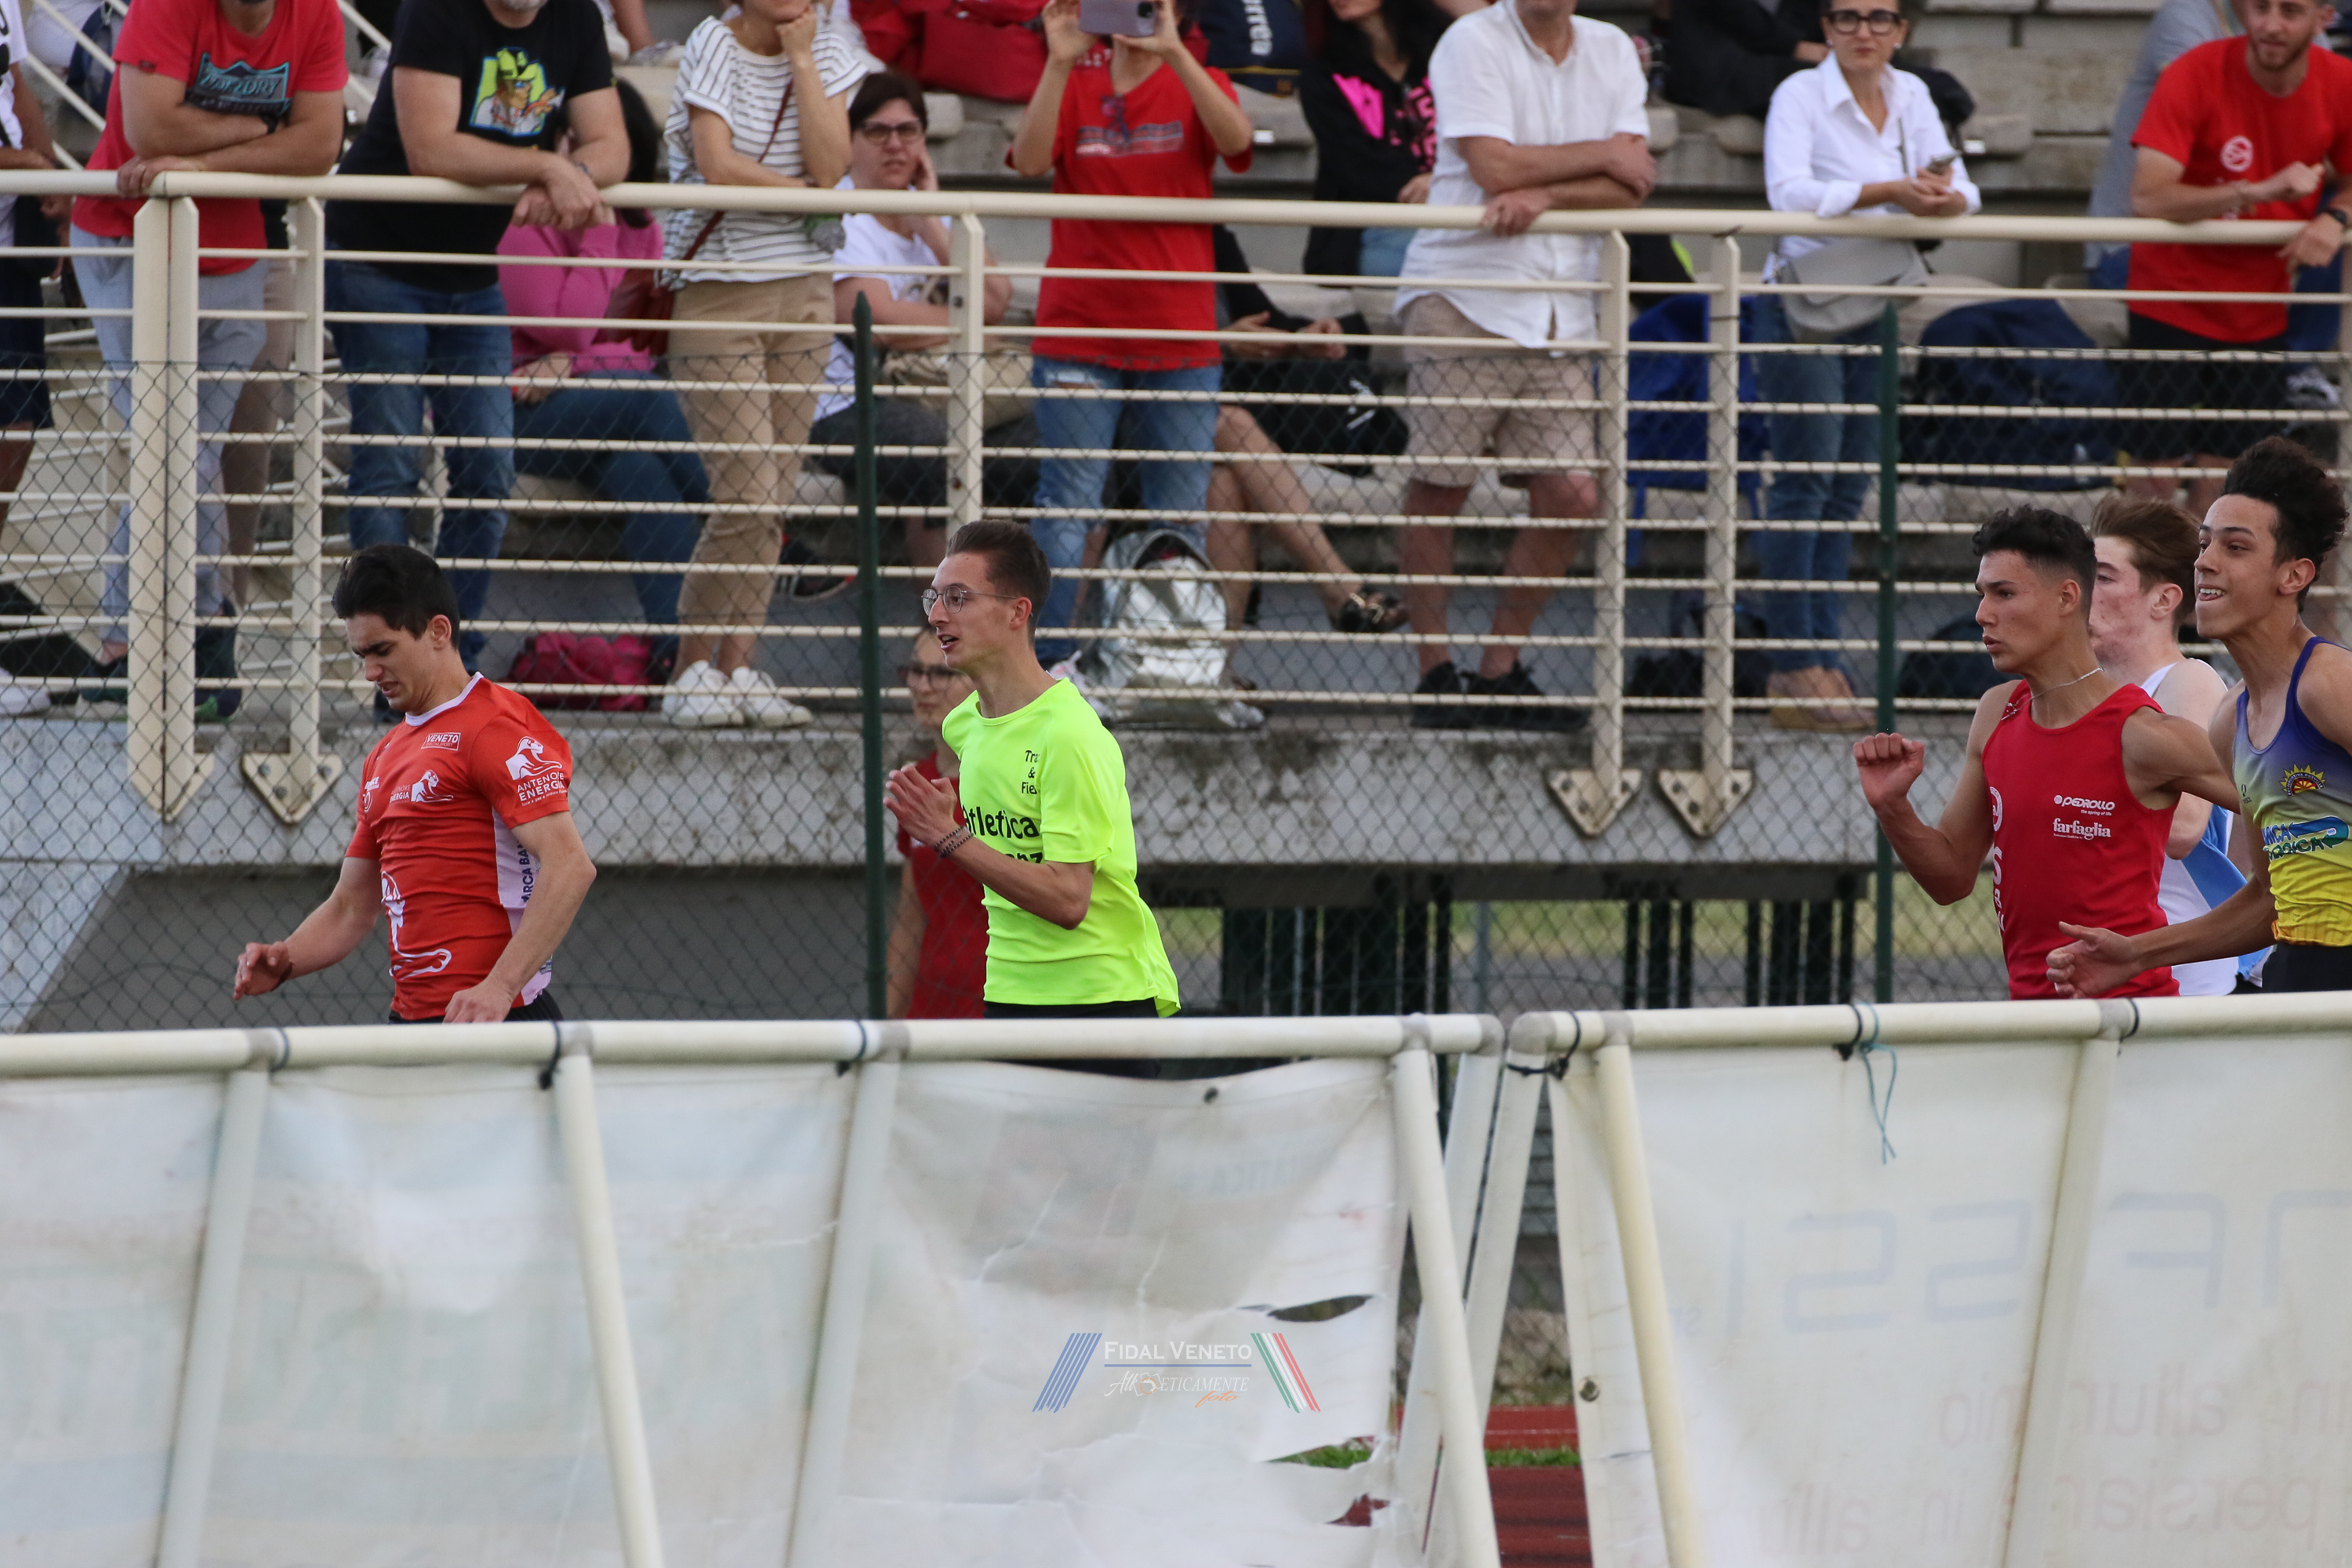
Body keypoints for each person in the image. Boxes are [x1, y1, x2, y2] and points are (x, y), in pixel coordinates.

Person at [325, 0, 628, 677]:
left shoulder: (575, 17)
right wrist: (547, 167)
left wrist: (570, 174)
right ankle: (390, 668)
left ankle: (443, 662)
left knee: (488, 470)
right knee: (390, 466)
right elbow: (431, 147)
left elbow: (612, 144)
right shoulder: (437, 10)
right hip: (378, 257)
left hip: (470, 269)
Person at [69, 0, 347, 716]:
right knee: (175, 447)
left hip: (234, 253)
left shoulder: (315, 13)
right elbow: (152, 130)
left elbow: (319, 145)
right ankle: (187, 633)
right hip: (130, 236)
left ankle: (141, 644)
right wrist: (260, 128)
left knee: (188, 450)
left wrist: (199, 159)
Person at [1853, 507, 2239, 1000]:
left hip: (2133, 1019)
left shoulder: (2141, 731)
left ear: (2067, 598)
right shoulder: (1997, 711)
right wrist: (1893, 807)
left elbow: (2295, 815)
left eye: (2004, 593)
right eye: (1982, 594)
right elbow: (1950, 879)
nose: (1982, 614)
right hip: (2033, 1015)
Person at [1392, 0, 1653, 729]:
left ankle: (1498, 672)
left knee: (1574, 495)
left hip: (1562, 312)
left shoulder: (1611, 47)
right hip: (1463, 296)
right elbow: (1492, 166)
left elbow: (1633, 183)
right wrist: (1602, 153)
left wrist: (1544, 192)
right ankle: (1435, 675)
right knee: (1439, 487)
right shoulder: (1470, 38)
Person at [231, 546, 598, 1022]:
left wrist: (499, 988)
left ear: (438, 631)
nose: (370, 673)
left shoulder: (494, 727)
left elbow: (570, 866)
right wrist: (286, 959)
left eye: (383, 651)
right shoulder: (384, 755)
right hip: (414, 1021)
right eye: (362, 655)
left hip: (499, 1018)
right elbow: (351, 906)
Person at [2053, 437, 2352, 996]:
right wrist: (2136, 953)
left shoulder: (2330, 683)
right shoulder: (2231, 718)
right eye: (2204, 543)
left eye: (2235, 547)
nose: (2204, 562)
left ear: (2294, 575)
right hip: (2298, 976)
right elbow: (2268, 899)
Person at [1008, 0, 1256, 663]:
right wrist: (1058, 61)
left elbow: (1237, 143)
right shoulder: (1074, 79)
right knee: (1069, 505)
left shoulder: (1200, 78)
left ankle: (1170, 668)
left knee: (1179, 516)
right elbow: (1028, 161)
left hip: (1179, 334)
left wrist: (1176, 52)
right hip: (1079, 330)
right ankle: (1046, 669)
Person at [1757, 1, 1975, 731]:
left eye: (1880, 18)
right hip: (1804, 303)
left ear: (1901, 31)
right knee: (1806, 482)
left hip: (1872, 297)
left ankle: (1819, 655)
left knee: (1847, 485)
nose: (1863, 32)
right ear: (1826, 27)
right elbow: (1787, 193)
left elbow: (1967, 191)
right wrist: (1890, 193)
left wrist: (1937, 197)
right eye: (1846, 17)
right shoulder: (1798, 92)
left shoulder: (1911, 93)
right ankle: (1796, 662)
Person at [882, 520, 1181, 1033]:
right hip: (1007, 996)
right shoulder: (963, 725)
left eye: (958, 598)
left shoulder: (1068, 734)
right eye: (934, 597)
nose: (936, 615)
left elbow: (1069, 901)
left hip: (1099, 1002)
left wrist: (950, 836)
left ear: (1017, 612)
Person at [659, 0, 867, 729]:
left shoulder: (830, 50)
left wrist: (803, 58)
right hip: (721, 291)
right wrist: (806, 198)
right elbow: (717, 165)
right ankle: (689, 670)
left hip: (805, 292)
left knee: (771, 500)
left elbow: (833, 163)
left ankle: (738, 667)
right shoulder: (712, 42)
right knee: (744, 494)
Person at [497, 80, 707, 664]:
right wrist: (598, 236)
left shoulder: (645, 229)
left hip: (597, 411)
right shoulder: (526, 221)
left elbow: (637, 345)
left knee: (643, 469)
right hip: (516, 412)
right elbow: (566, 326)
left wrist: (574, 362)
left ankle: (679, 663)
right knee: (647, 398)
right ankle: (753, 521)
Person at [2124, 0, 2352, 516]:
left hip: (2260, 308)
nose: (2271, 24)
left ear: (2323, 17)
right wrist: (2254, 191)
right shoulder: (2195, 70)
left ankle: (2203, 571)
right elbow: (2148, 196)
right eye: (2259, 7)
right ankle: (2145, 571)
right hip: (2169, 297)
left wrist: (2334, 218)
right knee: (2154, 472)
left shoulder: (2340, 81)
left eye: (2290, 11)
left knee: (2231, 477)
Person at [812, 70, 1022, 573]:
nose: (895, 145)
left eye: (908, 131)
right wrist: (970, 320)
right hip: (845, 404)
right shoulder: (836, 214)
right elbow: (881, 322)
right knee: (938, 454)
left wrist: (929, 218)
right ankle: (943, 618)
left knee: (1041, 442)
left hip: (932, 387)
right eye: (877, 131)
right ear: (849, 140)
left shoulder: (932, 213)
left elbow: (997, 299)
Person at [2085, 494, 2263, 995]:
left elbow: (2183, 827)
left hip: (2185, 977)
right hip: (2101, 958)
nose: (2079, 590)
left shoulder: (2187, 680)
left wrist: (2063, 801)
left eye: (2103, 577)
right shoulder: (2080, 695)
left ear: (2163, 601)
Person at [2083, 0, 2238, 280]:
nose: (2274, 26)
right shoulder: (2185, 17)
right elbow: (2205, 115)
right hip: (2137, 245)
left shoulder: (2302, 24)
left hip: (2231, 242)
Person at [1298, 0, 1449, 279]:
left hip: (1459, 209)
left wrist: (1442, 180)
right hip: (1372, 227)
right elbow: (1355, 166)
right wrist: (1432, 185)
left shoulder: (1449, 50)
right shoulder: (1323, 72)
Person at [885, 628, 987, 1018]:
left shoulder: (1013, 779)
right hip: (931, 1006)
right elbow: (910, 919)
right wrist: (886, 1026)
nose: (922, 686)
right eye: (915, 670)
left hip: (1005, 1004)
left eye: (941, 673)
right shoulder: (918, 781)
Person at [1661, 0, 1828, 121]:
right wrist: (1794, 45)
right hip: (1717, 65)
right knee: (1816, 85)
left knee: (1829, 79)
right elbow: (1730, 10)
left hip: (1777, 56)